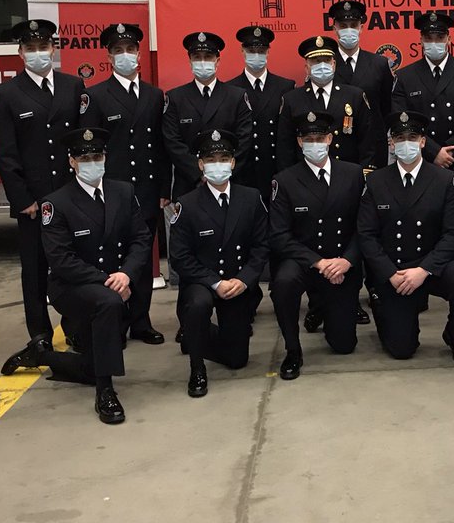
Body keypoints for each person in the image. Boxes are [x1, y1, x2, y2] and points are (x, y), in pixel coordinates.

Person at [0, 127, 152, 425]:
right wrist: (109, 280)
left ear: (105, 158)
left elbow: (141, 239)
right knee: (108, 302)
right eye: (84, 158)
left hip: (115, 281)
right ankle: (105, 392)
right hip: (72, 286)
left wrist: (126, 274)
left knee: (91, 365)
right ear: (72, 162)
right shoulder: (55, 203)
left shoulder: (124, 192)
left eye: (97, 156)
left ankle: (41, 357)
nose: (92, 163)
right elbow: (61, 260)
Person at [0, 18, 86, 342]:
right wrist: (22, 199)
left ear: (53, 48)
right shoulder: (6, 93)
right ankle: (40, 333)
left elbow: (83, 143)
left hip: (71, 195)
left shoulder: (73, 86)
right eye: (30, 48)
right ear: (20, 53)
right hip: (34, 200)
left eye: (43, 46)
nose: (38, 53)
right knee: (34, 270)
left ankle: (76, 327)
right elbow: (5, 153)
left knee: (75, 264)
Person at [390, 11, 454, 319]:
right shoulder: (406, 76)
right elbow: (399, 121)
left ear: (449, 39)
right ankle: (418, 294)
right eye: (428, 38)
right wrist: (433, 152)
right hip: (422, 164)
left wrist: (451, 152)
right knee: (422, 226)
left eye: (439, 37)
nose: (434, 42)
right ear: (420, 40)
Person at [358, 110, 454, 364]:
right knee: (402, 350)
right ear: (391, 143)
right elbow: (367, 235)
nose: (406, 144)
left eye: (412, 138)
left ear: (423, 142)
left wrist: (424, 270)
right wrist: (390, 273)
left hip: (430, 265)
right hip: (396, 270)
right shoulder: (376, 181)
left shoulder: (445, 179)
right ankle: (383, 305)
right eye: (399, 138)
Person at [79, 22, 170, 344]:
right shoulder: (95, 96)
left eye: (131, 50)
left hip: (146, 190)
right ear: (109, 57)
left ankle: (141, 321)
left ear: (139, 54)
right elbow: (88, 149)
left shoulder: (155, 95)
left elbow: (162, 148)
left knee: (142, 258)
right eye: (118, 51)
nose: (126, 55)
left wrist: (164, 189)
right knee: (112, 258)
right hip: (111, 192)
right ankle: (114, 323)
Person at [169, 128, 269, 398]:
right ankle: (197, 367)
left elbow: (261, 247)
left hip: (236, 281)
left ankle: (193, 336)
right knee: (198, 305)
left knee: (237, 359)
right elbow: (179, 256)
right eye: (211, 160)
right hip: (202, 281)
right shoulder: (186, 204)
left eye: (224, 159)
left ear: (233, 163)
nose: (218, 165)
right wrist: (215, 282)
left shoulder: (251, 198)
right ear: (201, 165)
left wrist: (244, 280)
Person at [268, 111, 365, 379]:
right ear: (299, 142)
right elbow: (279, 235)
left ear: (330, 139)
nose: (315, 144)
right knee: (283, 283)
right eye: (308, 139)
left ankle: (322, 306)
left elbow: (364, 227)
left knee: (344, 345)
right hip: (305, 262)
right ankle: (293, 349)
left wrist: (347, 260)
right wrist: (318, 262)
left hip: (341, 262)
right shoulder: (284, 180)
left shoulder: (353, 173)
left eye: (320, 138)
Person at [162, 31, 253, 195]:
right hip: (190, 184)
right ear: (190, 61)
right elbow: (172, 142)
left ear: (217, 61)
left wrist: (222, 172)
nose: (202, 62)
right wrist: (200, 173)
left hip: (230, 182)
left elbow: (244, 140)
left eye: (208, 57)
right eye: (197, 57)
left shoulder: (236, 96)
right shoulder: (175, 97)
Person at [276, 35, 379, 171]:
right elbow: (285, 147)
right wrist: (289, 179)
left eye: (326, 60)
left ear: (334, 65)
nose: (322, 66)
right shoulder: (292, 99)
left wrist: (365, 174)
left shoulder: (355, 96)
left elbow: (367, 142)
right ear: (307, 68)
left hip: (347, 174)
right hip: (305, 175)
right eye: (316, 61)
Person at [227, 25, 295, 203]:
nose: (256, 55)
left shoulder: (285, 87)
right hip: (244, 174)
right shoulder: (229, 89)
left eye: (261, 51)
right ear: (242, 51)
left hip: (275, 171)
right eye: (251, 51)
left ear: (268, 52)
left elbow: (287, 136)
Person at [329, 0, 393, 164]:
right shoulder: (326, 64)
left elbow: (386, 108)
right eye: (343, 26)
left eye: (353, 25)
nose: (348, 30)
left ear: (361, 28)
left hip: (373, 148)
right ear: (334, 29)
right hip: (337, 147)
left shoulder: (379, 64)